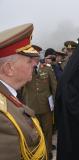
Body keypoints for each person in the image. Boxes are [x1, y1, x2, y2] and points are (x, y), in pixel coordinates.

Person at [0, 23, 47, 159]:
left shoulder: (9, 95)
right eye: (29, 61)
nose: (35, 64)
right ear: (9, 68)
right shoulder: (2, 118)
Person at [21, 48, 57, 159]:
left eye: (36, 56)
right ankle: (36, 153)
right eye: (32, 56)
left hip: (46, 106)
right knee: (33, 132)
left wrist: (56, 103)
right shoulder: (25, 70)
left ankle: (47, 151)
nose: (35, 59)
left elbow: (54, 87)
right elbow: (21, 87)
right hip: (31, 106)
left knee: (47, 131)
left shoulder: (47, 69)